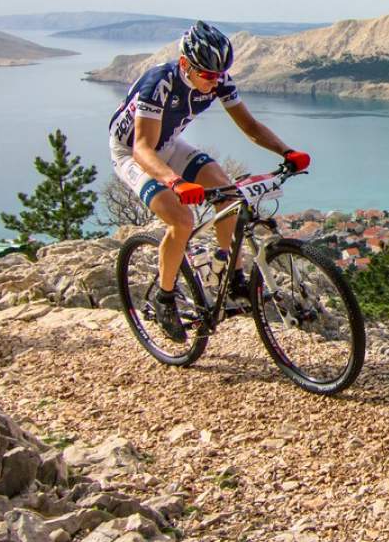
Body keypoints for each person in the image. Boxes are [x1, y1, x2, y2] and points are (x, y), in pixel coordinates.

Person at [109, 21, 310, 342]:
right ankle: (164, 297)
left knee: (229, 194)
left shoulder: (217, 80)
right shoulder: (158, 84)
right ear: (186, 65)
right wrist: (175, 183)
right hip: (133, 153)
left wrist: (287, 151)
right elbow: (143, 148)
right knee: (181, 219)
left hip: (169, 143)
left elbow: (251, 127)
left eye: (220, 75)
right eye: (207, 75)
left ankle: (229, 273)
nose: (215, 82)